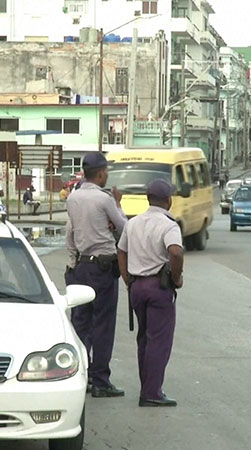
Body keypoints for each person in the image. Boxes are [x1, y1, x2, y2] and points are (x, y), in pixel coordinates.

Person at [65, 152, 127, 398]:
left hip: (81, 266)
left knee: (81, 323)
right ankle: (101, 380)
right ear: (101, 173)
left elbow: (72, 231)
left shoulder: (73, 198)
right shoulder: (105, 199)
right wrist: (118, 205)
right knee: (103, 324)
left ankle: (81, 375)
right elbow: (123, 227)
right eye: (106, 172)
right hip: (102, 267)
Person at [117, 179, 183, 407]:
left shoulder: (133, 223)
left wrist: (127, 278)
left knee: (144, 339)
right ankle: (152, 393)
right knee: (159, 341)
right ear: (168, 200)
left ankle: (147, 386)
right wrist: (176, 278)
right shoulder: (168, 225)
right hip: (158, 288)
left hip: (136, 287)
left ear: (147, 198)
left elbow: (121, 250)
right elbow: (175, 252)